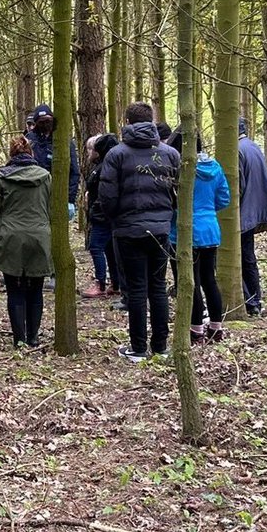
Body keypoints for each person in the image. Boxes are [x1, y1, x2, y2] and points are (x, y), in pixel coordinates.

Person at [97, 103, 180, 363]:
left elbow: (107, 195)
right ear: (151, 121)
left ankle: (139, 348)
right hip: (159, 229)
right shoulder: (169, 153)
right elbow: (177, 190)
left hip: (129, 230)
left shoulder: (116, 154)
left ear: (128, 121)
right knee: (157, 287)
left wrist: (117, 220)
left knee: (137, 289)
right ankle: (160, 346)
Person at [0, 137, 53, 348]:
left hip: (10, 238)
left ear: (11, 154)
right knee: (36, 288)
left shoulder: (1, 177)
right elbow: (53, 207)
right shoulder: (46, 176)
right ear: (31, 153)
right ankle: (33, 337)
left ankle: (19, 338)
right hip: (39, 236)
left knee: (14, 289)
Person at [168, 131, 230, 344]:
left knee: (188, 281)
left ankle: (195, 329)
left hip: (184, 232)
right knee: (208, 279)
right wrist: (208, 211)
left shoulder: (180, 170)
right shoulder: (215, 167)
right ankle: (216, 327)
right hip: (210, 230)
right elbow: (224, 198)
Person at [238, 118, 267, 316]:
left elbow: (237, 187)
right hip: (253, 210)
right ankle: (254, 299)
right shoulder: (253, 146)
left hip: (243, 212)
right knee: (248, 257)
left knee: (243, 257)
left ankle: (250, 301)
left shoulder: (236, 150)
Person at [81, 133, 123, 300]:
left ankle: (101, 283)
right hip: (104, 215)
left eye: (92, 149)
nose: (89, 152)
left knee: (96, 247)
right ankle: (115, 283)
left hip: (103, 216)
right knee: (109, 249)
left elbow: (106, 194)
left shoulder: (106, 168)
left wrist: (96, 211)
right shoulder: (103, 166)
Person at [26, 103, 80, 207]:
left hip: (57, 193)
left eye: (48, 121)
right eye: (41, 122)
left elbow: (74, 172)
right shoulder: (30, 140)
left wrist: (70, 200)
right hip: (34, 196)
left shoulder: (63, 141)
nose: (45, 124)